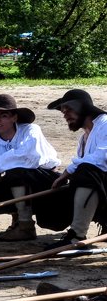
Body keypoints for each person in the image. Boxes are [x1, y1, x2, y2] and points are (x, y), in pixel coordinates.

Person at [0, 94, 63, 241]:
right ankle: (14, 219)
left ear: (14, 117)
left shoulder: (31, 130)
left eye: (4, 115)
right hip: (12, 187)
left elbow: (30, 157)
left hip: (45, 184)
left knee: (17, 173)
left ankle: (25, 226)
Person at [48, 88, 107, 244]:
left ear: (83, 108)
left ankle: (77, 236)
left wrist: (68, 171)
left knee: (86, 172)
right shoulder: (84, 138)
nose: (65, 114)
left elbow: (102, 158)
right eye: (63, 110)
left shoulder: (105, 124)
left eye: (69, 109)